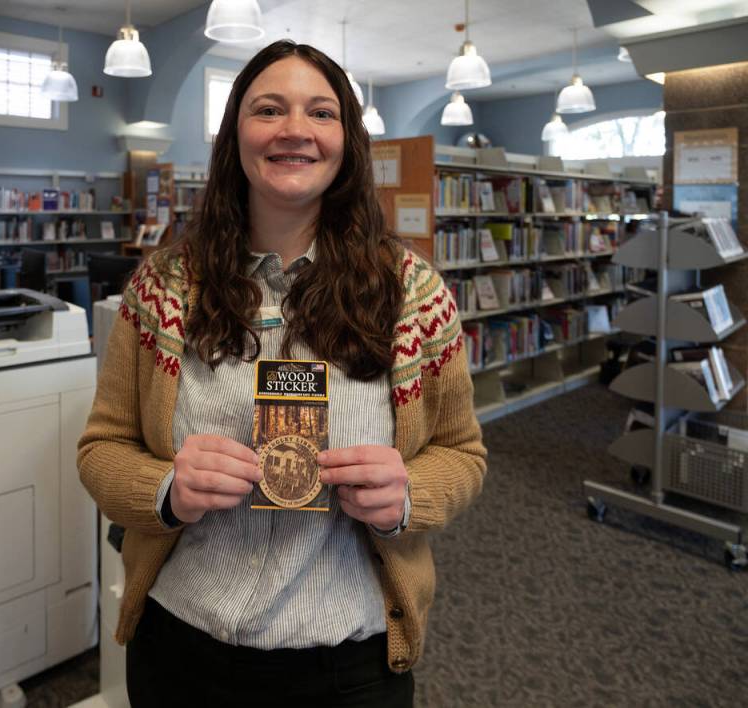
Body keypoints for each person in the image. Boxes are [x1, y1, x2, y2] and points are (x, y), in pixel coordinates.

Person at [78, 39, 487, 708]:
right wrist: (166, 489)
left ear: (347, 140)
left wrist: (409, 493)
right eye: (269, 109)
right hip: (183, 649)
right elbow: (102, 449)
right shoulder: (163, 287)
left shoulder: (414, 294)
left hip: (347, 666)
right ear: (234, 134)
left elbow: (462, 453)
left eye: (321, 113)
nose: (295, 130)